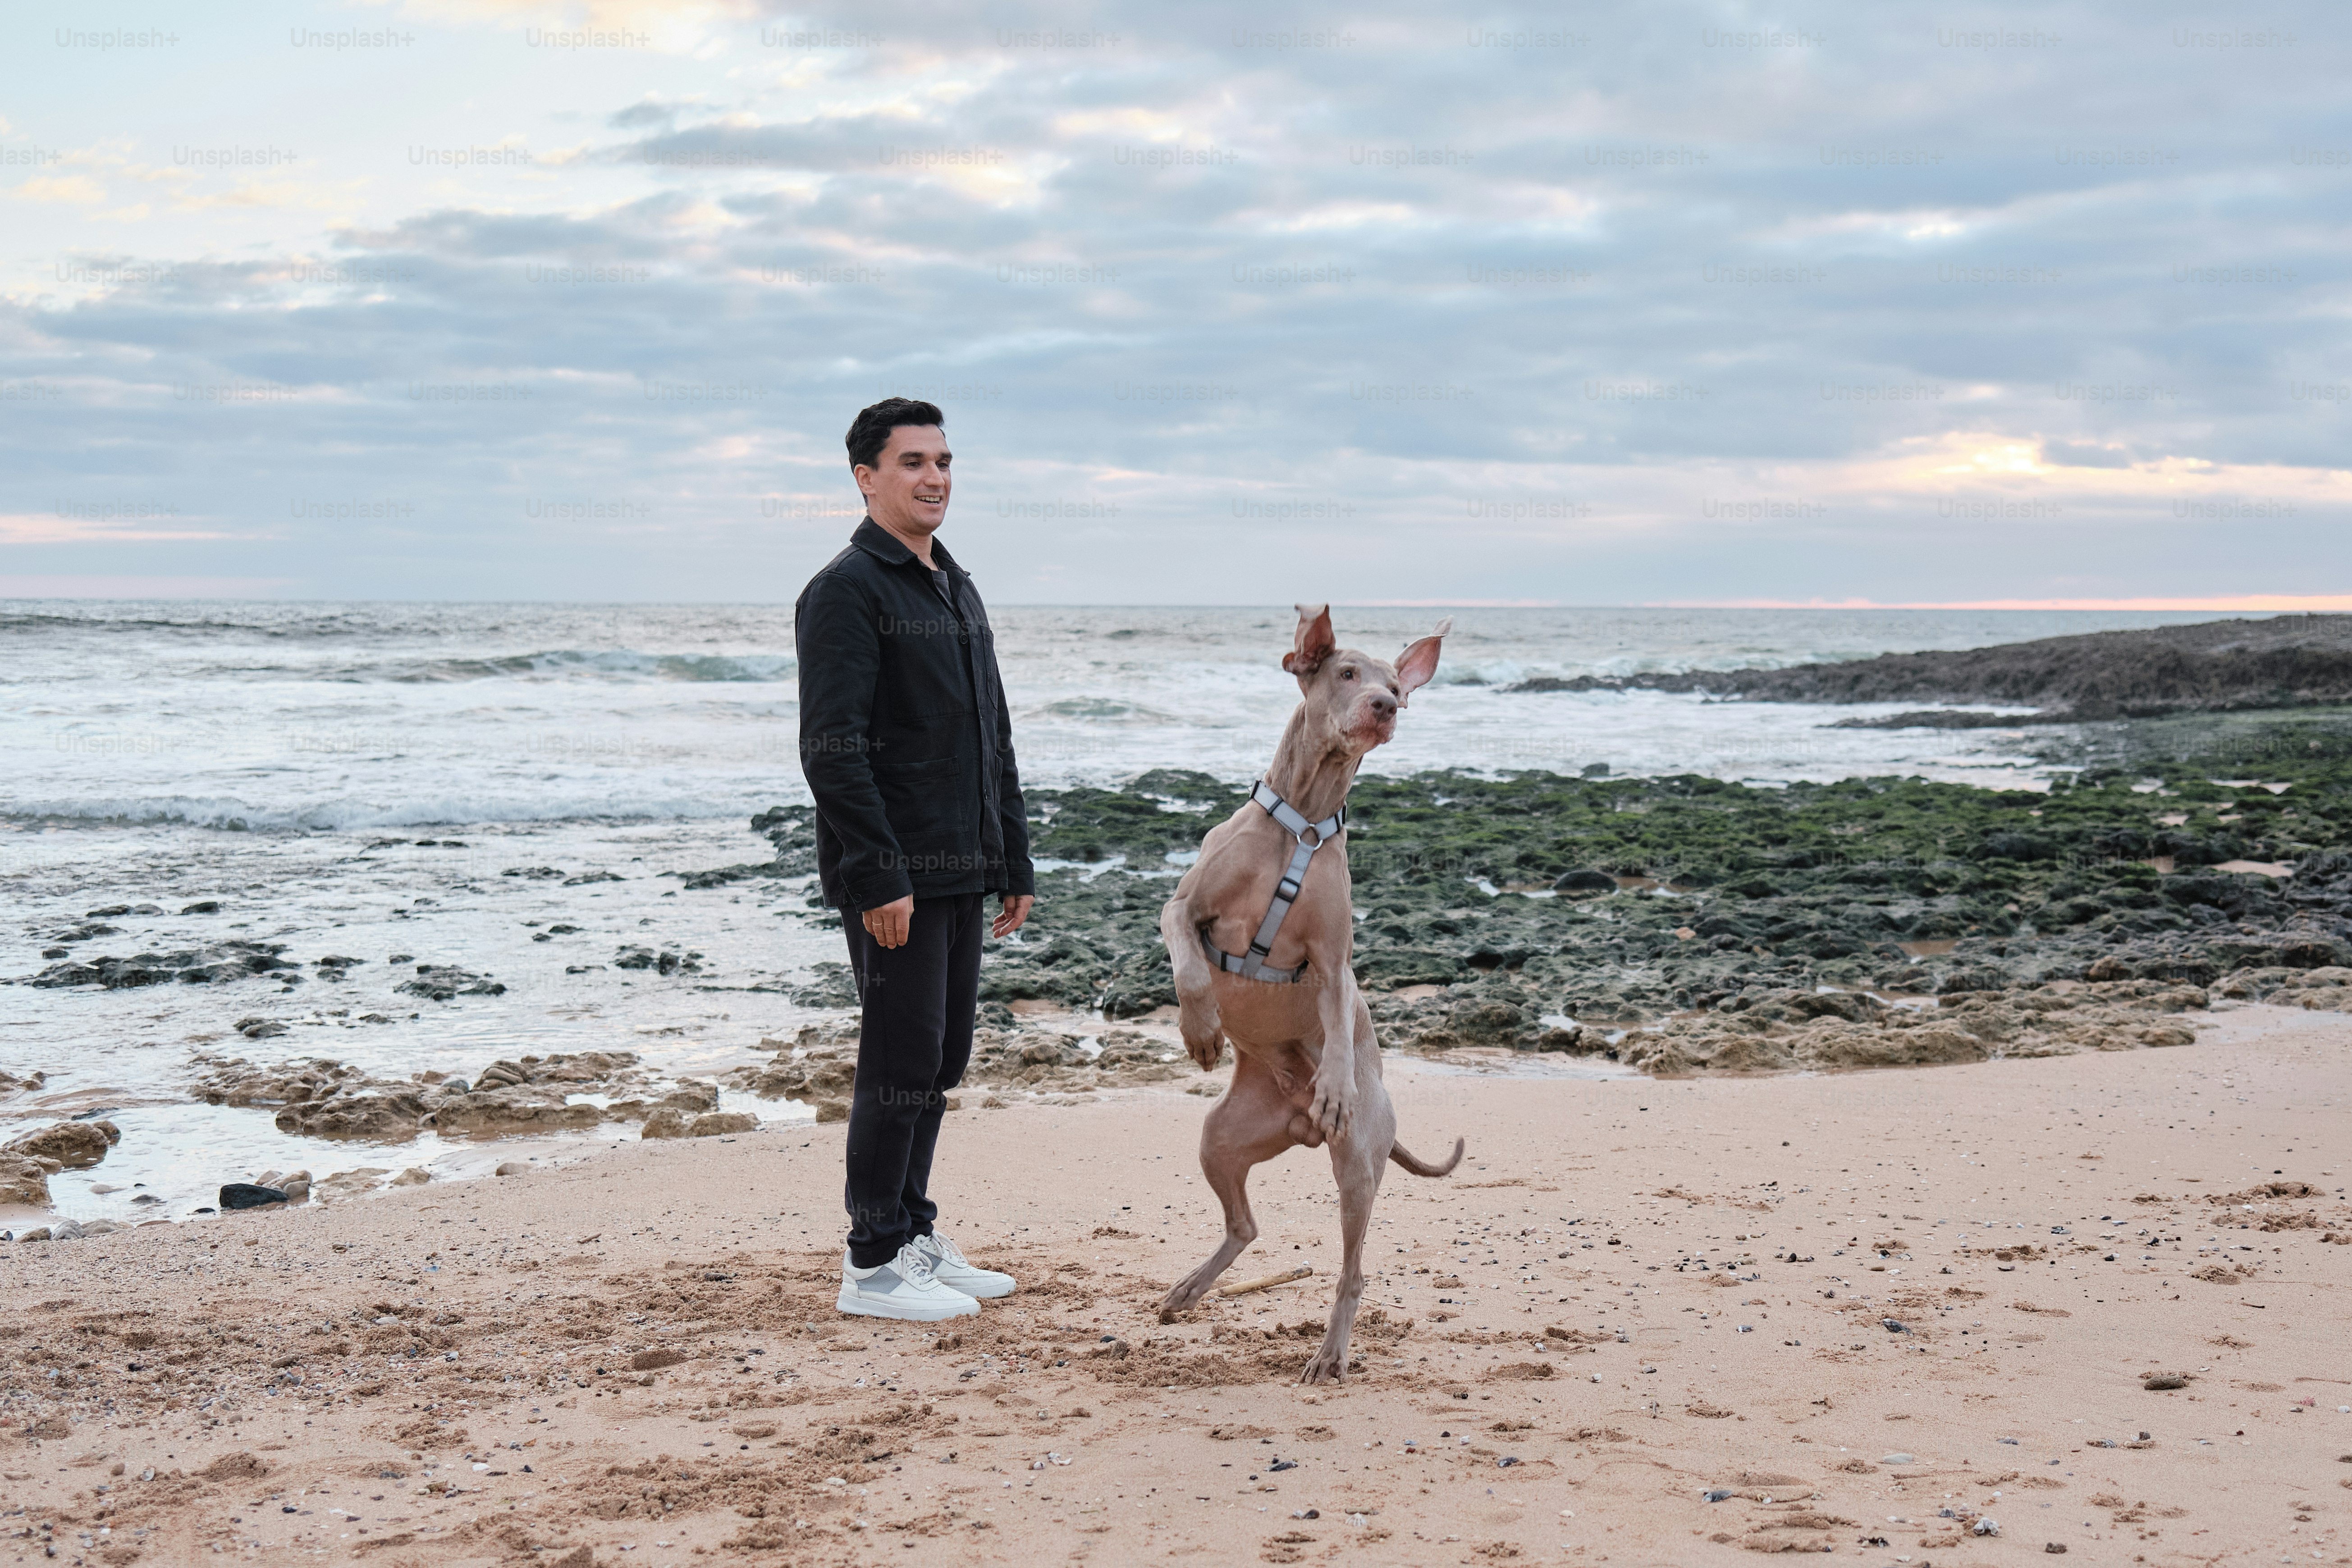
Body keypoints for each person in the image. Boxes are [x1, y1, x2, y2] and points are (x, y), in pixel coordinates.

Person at [794, 397, 1037, 1321]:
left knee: (939, 1061)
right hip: (896, 878)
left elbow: (992, 736)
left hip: (961, 866)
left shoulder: (954, 586)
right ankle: (871, 1263)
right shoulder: (848, 590)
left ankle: (911, 1234)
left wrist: (1008, 856)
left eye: (943, 461)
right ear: (865, 477)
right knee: (896, 1065)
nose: (934, 477)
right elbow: (832, 750)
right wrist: (877, 874)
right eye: (911, 463)